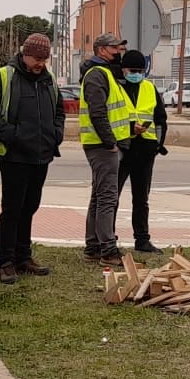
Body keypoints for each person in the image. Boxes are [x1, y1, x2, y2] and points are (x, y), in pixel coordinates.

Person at [0, 31, 64, 283]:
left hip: (41, 156)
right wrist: (12, 135)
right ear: (25, 54)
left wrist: (55, 133)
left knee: (30, 208)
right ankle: (5, 261)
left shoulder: (49, 79)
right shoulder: (4, 77)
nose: (40, 64)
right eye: (36, 58)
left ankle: (24, 257)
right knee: (12, 210)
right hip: (14, 157)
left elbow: (59, 110)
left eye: (44, 59)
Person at [79, 32, 131, 262]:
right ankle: (108, 250)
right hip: (102, 146)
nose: (119, 52)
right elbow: (98, 112)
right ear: (102, 50)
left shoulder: (106, 74)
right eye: (115, 48)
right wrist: (110, 143)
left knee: (99, 196)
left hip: (103, 144)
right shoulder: (98, 75)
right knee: (107, 197)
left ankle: (94, 246)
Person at [116, 49, 168, 254]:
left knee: (141, 199)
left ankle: (142, 239)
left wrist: (157, 145)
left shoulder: (149, 88)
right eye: (132, 70)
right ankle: (109, 238)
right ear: (123, 70)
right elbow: (113, 118)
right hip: (123, 149)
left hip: (146, 150)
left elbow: (161, 120)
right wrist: (130, 128)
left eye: (140, 70)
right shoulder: (117, 89)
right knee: (113, 197)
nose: (136, 74)